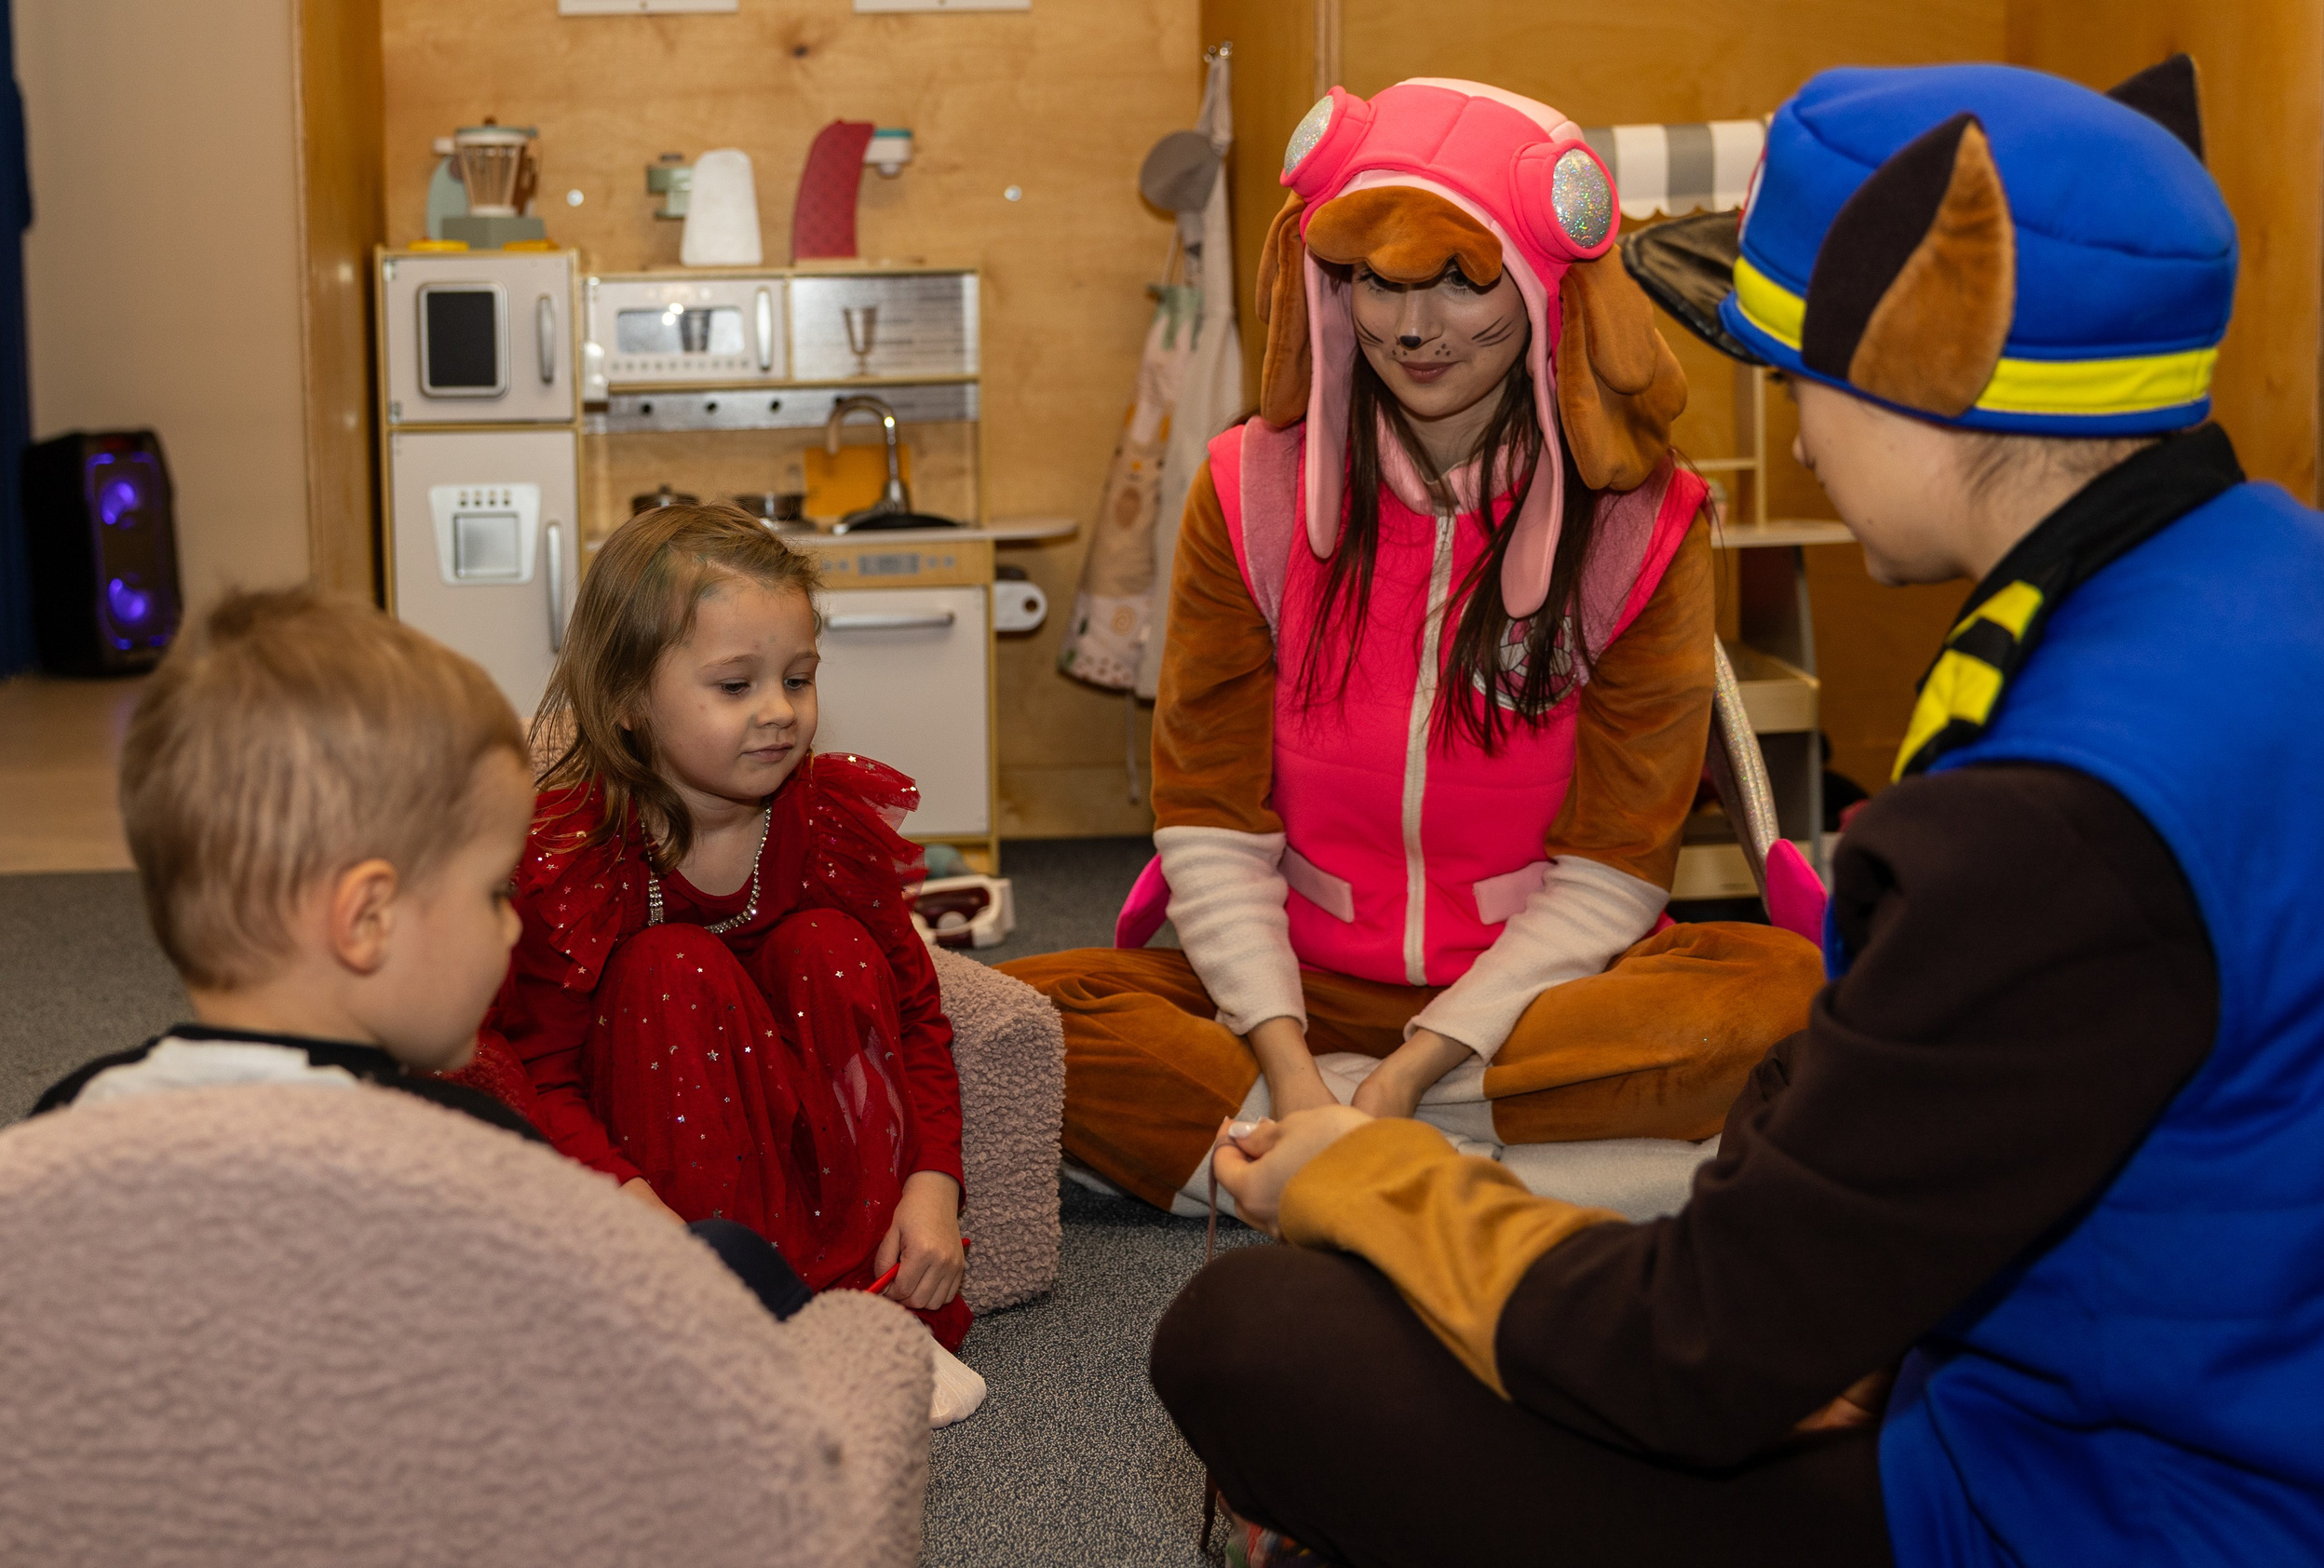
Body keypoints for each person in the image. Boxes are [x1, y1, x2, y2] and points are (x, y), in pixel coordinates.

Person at [1152, 57, 2324, 1566]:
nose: (1797, 433)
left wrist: (1369, 1171)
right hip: (2250, 1369)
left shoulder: (2053, 821)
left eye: (1796, 377)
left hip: (2117, 1505)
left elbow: (1697, 1348)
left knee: (1254, 1334)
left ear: (1917, 359)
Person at [1003, 78, 1819, 1217]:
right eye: (1374, 283)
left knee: (1781, 996)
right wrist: (1294, 1064)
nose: (1411, 326)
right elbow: (1208, 817)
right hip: (1294, 995)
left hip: (1535, 1006)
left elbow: (1616, 865)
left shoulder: (1645, 519)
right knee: (994, 1019)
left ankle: (1294, 1157)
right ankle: (1405, 1153)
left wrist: (1400, 1077)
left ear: (1541, 286)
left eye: (1456, 279)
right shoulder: (1250, 490)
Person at [32, 588, 817, 1327]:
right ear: (367, 920)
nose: (513, 930)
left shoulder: (74, 1118)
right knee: (730, 1265)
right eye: (489, 893)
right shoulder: (463, 1152)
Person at [466, 503, 982, 1421]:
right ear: (628, 699)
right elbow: (535, 1071)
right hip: (673, 1190)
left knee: (830, 945)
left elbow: (914, 1015)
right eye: (735, 685)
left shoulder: (826, 823)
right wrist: (634, 1209)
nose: (779, 712)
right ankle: (747, 1322)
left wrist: (932, 1190)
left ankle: (862, 1310)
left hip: (816, 1148)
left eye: (798, 677)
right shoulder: (574, 856)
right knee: (671, 964)